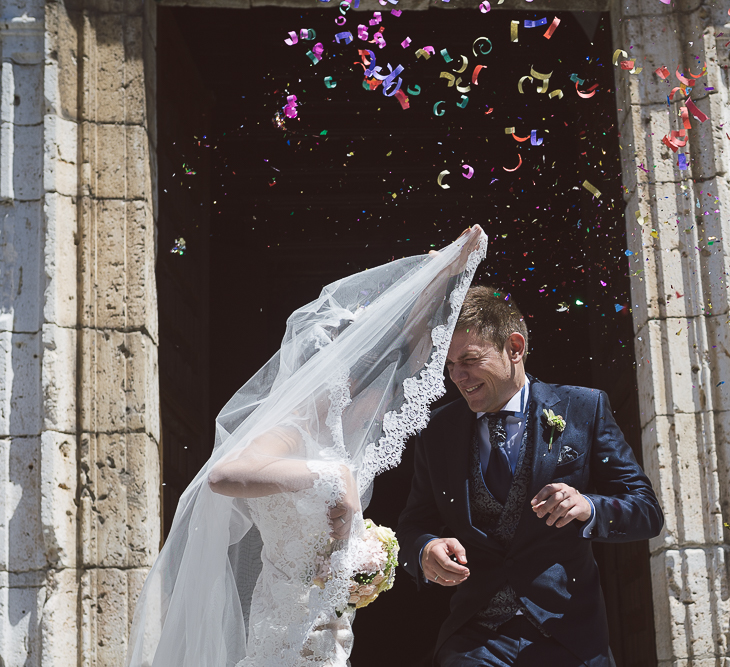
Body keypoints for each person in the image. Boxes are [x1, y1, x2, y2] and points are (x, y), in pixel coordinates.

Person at [125, 226, 486, 667]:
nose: (385, 400)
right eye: (379, 390)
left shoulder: (339, 436)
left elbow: (400, 345)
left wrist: (443, 275)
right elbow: (223, 475)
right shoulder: (292, 427)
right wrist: (329, 478)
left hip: (328, 631)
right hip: (283, 631)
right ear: (353, 384)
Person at [397, 286, 665, 666]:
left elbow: (646, 511)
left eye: (470, 360)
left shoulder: (583, 407)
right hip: (476, 636)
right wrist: (425, 549)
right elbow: (413, 524)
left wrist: (588, 506)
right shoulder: (437, 431)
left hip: (569, 632)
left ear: (515, 348)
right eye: (450, 364)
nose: (457, 376)